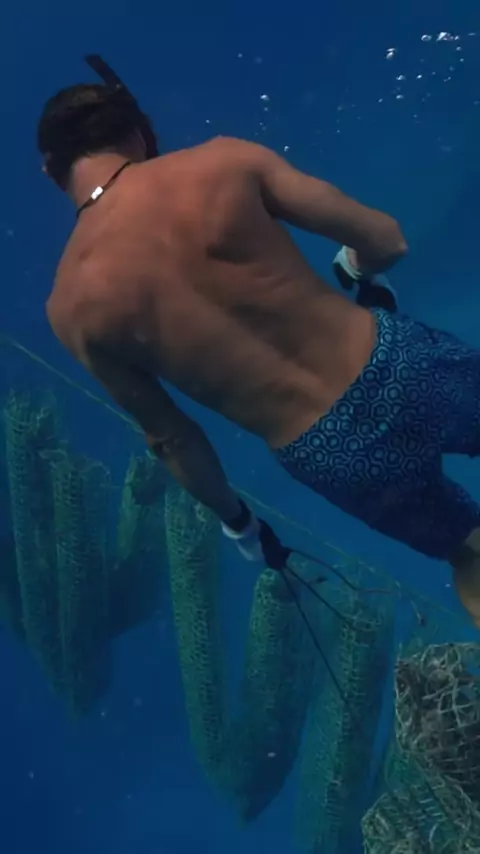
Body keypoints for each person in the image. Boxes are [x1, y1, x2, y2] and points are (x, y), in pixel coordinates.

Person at [38, 61, 480, 627]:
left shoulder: (71, 307)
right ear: (137, 132)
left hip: (327, 451)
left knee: (470, 550)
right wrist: (359, 268)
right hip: (397, 363)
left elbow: (173, 438)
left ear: (51, 169)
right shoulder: (221, 164)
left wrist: (240, 524)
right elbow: (386, 239)